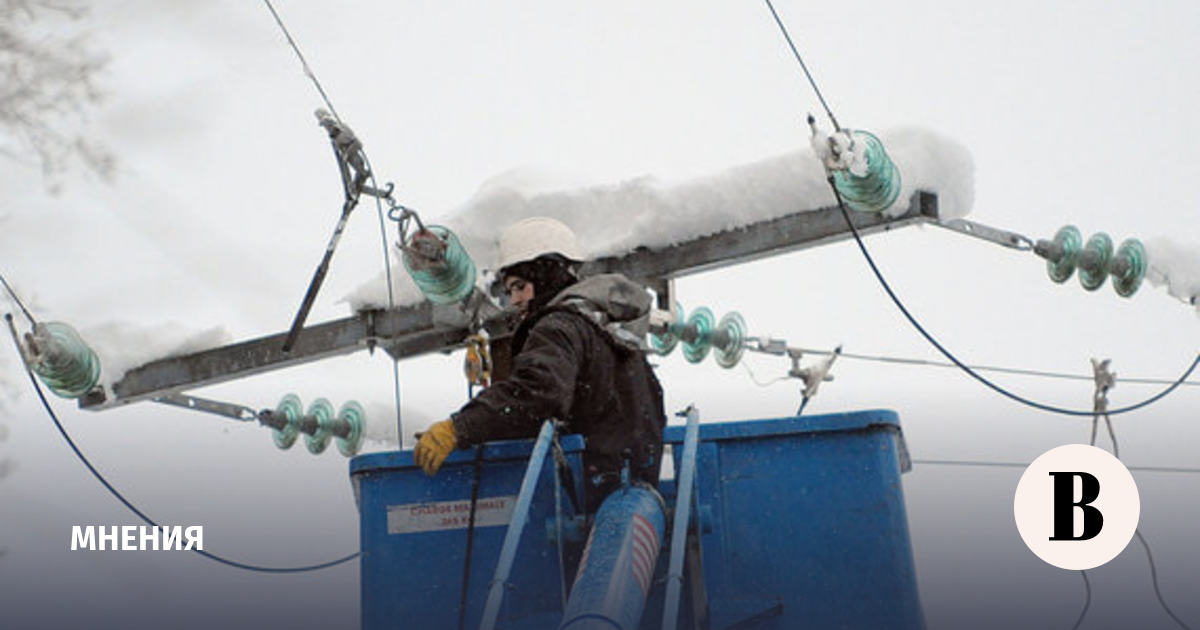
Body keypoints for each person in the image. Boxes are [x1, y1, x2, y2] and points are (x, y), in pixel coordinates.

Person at [413, 216, 667, 511]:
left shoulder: (558, 327)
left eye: (520, 286)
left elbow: (538, 394)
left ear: (547, 275)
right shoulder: (617, 338)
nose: (515, 300)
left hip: (588, 503)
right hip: (633, 497)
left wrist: (460, 427)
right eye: (510, 292)